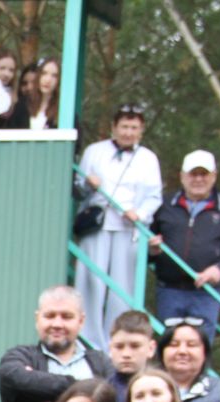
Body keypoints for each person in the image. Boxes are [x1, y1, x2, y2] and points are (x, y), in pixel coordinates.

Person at [74, 105, 164, 349]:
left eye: (134, 127)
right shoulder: (95, 152)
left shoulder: (147, 158)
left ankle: (117, 340)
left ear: (141, 131)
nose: (128, 132)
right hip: (98, 225)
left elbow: (154, 196)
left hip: (128, 228)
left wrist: (140, 213)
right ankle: (88, 340)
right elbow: (78, 189)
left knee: (122, 289)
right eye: (124, 126)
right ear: (114, 128)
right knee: (91, 283)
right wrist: (89, 183)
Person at [148, 150, 220, 333]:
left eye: (204, 174)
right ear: (182, 176)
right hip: (169, 290)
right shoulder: (163, 204)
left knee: (201, 349)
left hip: (207, 293)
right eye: (193, 174)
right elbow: (146, 241)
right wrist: (151, 251)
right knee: (169, 347)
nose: (198, 179)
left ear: (214, 176)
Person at [104, 310, 158, 402]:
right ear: (110, 349)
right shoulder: (102, 392)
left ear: (151, 348)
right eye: (119, 347)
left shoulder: (164, 389)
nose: (126, 354)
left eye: (135, 346)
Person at [160, 319, 220, 402]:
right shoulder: (145, 387)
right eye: (174, 344)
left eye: (191, 345)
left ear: (205, 353)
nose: (182, 351)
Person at [0, 56, 56, 129]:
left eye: (54, 76)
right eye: (44, 73)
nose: (48, 79)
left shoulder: (64, 109)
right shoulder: (22, 106)